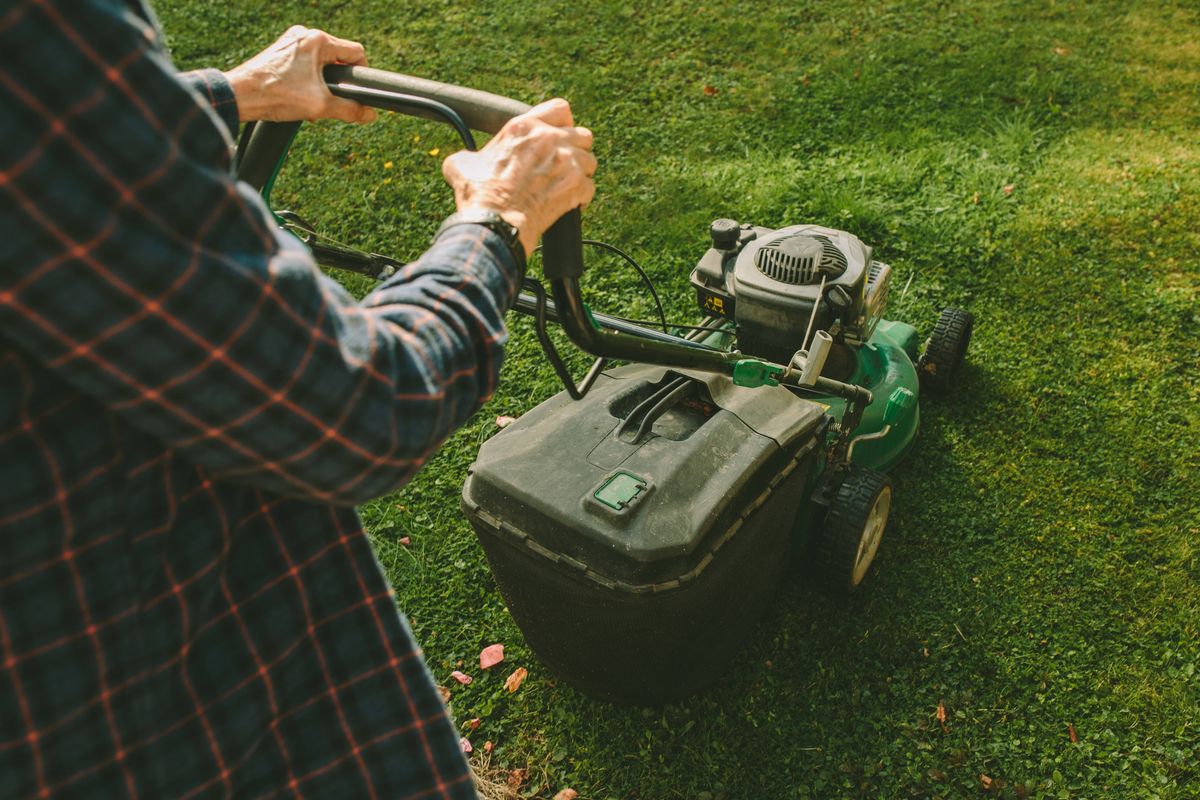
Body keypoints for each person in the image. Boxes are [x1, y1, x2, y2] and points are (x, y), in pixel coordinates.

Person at [0, 1, 595, 797]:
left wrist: (227, 93)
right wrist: (500, 218)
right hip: (154, 725)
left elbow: (39, 162)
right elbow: (359, 408)